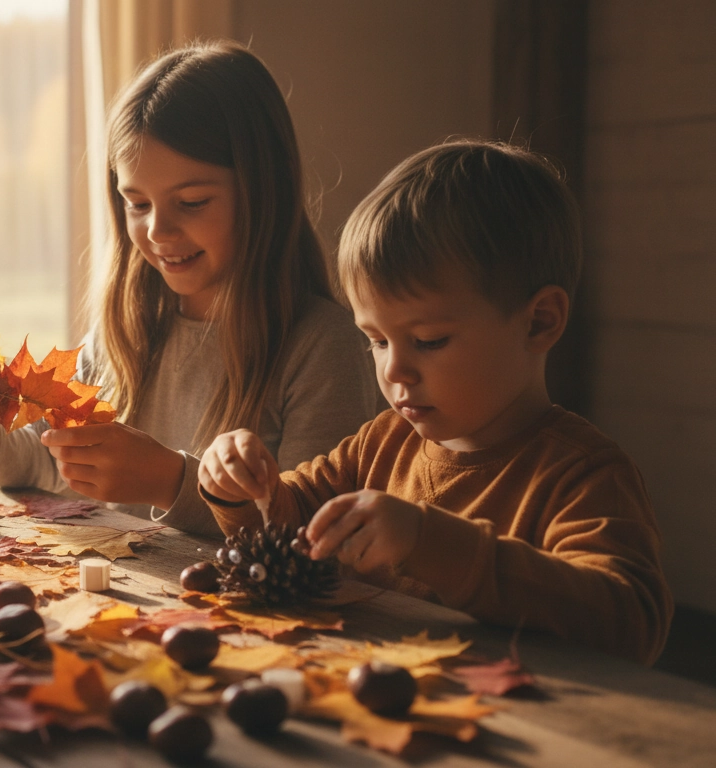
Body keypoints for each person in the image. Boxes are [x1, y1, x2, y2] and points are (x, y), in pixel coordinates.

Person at [197, 140, 673, 664]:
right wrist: (241, 487)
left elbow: (631, 623)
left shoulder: (582, 476)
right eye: (376, 341)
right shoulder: (382, 442)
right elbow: (288, 531)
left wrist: (429, 541)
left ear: (539, 322)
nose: (393, 369)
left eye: (428, 341)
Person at [0, 41, 379, 538]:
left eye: (192, 202)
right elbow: (44, 464)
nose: (157, 230)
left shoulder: (324, 349)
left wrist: (171, 482)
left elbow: (312, 540)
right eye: (136, 203)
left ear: (263, 192)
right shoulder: (127, 330)